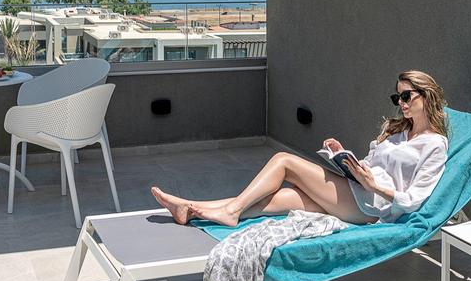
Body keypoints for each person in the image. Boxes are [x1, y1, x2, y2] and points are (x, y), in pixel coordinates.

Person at [152, 70, 449, 227]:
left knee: (284, 161)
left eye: (407, 96)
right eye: (396, 98)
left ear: (427, 95)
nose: (402, 104)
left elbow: (415, 199)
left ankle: (229, 211)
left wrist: (376, 186)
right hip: (356, 189)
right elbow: (370, 163)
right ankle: (191, 209)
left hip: (374, 207)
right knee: (280, 199)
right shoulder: (395, 130)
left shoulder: (434, 145)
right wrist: (345, 157)